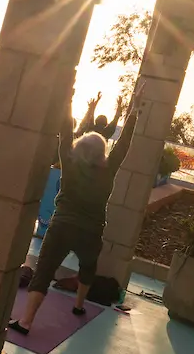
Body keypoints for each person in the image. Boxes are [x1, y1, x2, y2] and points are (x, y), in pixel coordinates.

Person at [9, 84, 146, 334]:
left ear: (79, 149)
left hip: (61, 226)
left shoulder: (69, 163)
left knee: (44, 271)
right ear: (103, 152)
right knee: (88, 267)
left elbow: (65, 132)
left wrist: (67, 100)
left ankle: (26, 321)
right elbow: (124, 144)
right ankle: (79, 305)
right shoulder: (109, 169)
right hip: (91, 231)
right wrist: (134, 112)